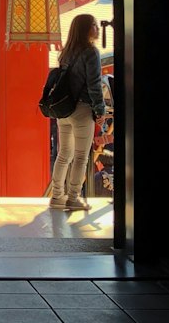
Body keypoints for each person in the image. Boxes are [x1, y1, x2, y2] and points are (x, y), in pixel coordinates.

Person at [49, 12, 107, 211]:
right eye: (94, 25)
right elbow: (94, 84)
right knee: (81, 156)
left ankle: (57, 195)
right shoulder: (90, 52)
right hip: (82, 109)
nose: (97, 29)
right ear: (86, 29)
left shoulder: (67, 52)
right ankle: (73, 197)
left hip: (64, 110)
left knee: (64, 154)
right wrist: (100, 109)